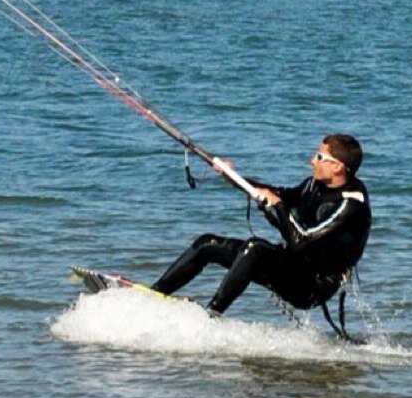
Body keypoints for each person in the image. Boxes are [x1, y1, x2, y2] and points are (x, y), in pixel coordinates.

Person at [152, 133, 371, 316]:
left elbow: (300, 241)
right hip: (292, 265)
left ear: (337, 167)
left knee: (255, 249)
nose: (312, 161)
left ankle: (212, 316)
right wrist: (232, 176)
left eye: (319, 156)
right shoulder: (314, 184)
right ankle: (154, 296)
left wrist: (279, 207)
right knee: (206, 244)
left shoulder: (351, 204)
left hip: (313, 285)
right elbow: (277, 194)